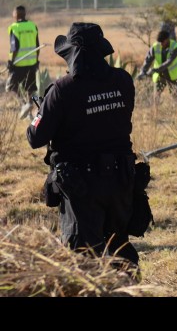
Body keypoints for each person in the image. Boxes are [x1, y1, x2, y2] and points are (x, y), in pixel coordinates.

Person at [26, 22, 139, 273]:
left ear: (73, 53)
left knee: (83, 261)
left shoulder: (62, 90)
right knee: (119, 249)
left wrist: (44, 112)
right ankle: (128, 288)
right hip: (121, 180)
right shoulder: (123, 80)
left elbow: (35, 137)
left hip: (82, 187)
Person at [7, 5, 39, 119]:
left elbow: (14, 47)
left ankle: (24, 104)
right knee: (30, 88)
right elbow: (37, 46)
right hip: (32, 63)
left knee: (11, 86)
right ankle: (29, 107)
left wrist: (11, 62)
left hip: (19, 63)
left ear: (16, 15)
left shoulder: (14, 27)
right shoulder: (32, 26)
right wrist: (36, 61)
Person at [136, 30, 177, 102]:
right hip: (160, 75)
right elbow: (148, 60)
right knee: (156, 95)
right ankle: (156, 109)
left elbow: (169, 62)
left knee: (175, 96)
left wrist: (154, 70)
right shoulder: (155, 46)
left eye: (162, 42)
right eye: (159, 42)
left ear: (167, 39)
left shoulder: (175, 47)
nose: (161, 44)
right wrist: (143, 71)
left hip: (173, 75)